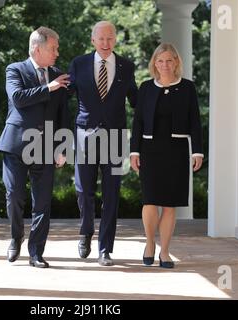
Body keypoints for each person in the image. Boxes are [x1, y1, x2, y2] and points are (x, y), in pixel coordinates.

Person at [0, 27, 70, 268]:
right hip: (16, 144)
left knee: (43, 203)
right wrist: (49, 87)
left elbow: (63, 115)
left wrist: (62, 147)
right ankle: (16, 237)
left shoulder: (59, 75)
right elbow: (18, 98)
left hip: (46, 146)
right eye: (53, 48)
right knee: (14, 195)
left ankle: (36, 252)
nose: (57, 52)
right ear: (38, 49)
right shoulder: (15, 69)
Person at [69, 21, 138, 266]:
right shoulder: (78, 64)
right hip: (84, 135)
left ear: (115, 40)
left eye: (110, 38)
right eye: (101, 39)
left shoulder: (127, 67)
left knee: (112, 194)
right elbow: (64, 97)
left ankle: (105, 249)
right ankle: (86, 232)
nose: (106, 43)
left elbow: (136, 102)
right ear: (93, 41)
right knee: (82, 190)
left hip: (116, 139)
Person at [130, 43, 203, 268]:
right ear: (154, 63)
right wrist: (134, 151)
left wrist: (197, 151)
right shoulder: (146, 88)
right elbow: (138, 122)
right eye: (160, 61)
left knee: (170, 204)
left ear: (176, 62)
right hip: (150, 150)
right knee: (150, 201)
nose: (164, 65)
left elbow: (195, 122)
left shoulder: (188, 88)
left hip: (177, 150)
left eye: (169, 60)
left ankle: (165, 252)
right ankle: (150, 243)